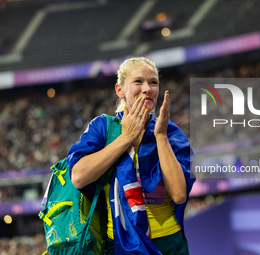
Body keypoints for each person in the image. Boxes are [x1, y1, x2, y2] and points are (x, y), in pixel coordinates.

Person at [67, 57, 195, 254]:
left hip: (168, 243)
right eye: (138, 82)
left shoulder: (169, 131)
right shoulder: (103, 128)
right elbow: (78, 176)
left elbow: (178, 195)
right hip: (119, 244)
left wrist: (160, 136)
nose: (147, 88)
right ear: (120, 90)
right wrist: (125, 138)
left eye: (153, 83)